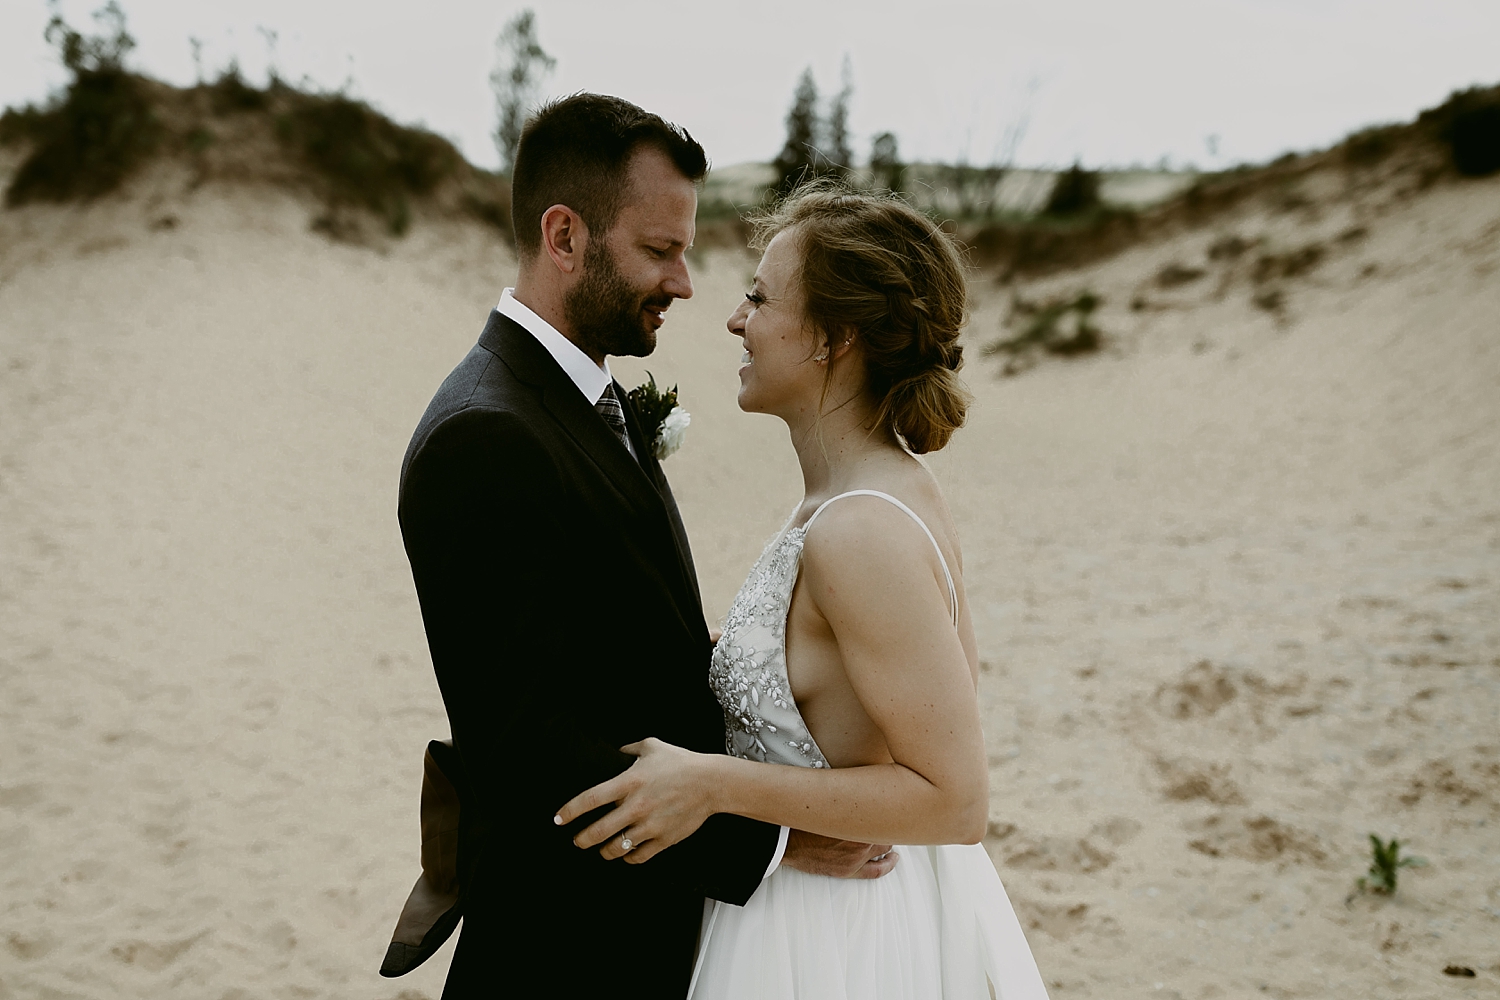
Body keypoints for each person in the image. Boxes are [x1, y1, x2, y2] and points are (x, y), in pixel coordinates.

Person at [395, 95, 892, 999]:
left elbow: (623, 644)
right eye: (659, 251)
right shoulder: (485, 437)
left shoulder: (582, 398)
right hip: (570, 947)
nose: (685, 283)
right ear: (564, 236)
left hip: (649, 925)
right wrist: (778, 836)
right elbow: (533, 754)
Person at [555, 185, 1052, 998]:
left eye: (758, 296)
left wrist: (712, 785)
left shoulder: (860, 531)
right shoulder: (870, 493)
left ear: (837, 337)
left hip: (836, 938)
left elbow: (955, 801)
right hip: (808, 899)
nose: (734, 318)